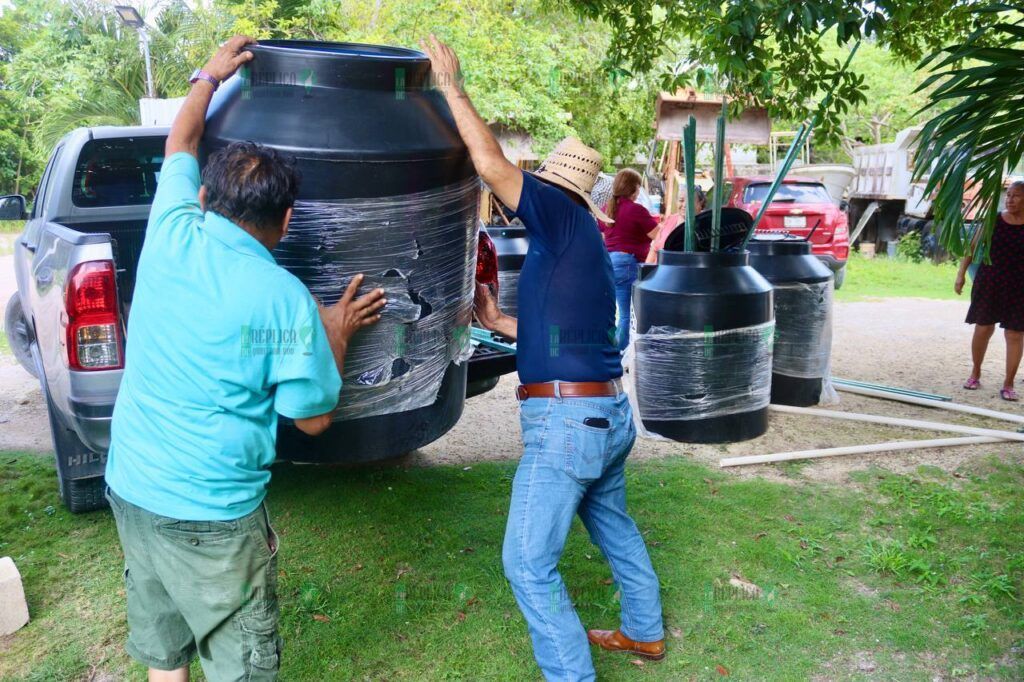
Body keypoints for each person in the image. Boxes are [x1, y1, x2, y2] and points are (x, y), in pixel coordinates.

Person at [103, 36, 386, 681]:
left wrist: (208, 75)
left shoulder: (171, 231)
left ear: (205, 198)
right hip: (212, 516)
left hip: (132, 486)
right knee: (242, 667)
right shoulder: (284, 302)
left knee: (164, 649)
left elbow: (179, 143)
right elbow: (312, 420)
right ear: (286, 223)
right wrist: (335, 329)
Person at [421, 35, 665, 681]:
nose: (507, 197)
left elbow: (490, 162)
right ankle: (644, 633)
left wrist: (452, 84)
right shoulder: (581, 232)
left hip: (567, 428)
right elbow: (574, 326)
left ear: (553, 185)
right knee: (613, 525)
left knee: (527, 563)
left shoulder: (554, 209)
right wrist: (501, 320)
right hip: (606, 417)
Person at [956, 180, 1024, 401]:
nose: (1010, 199)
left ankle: (1009, 383)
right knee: (983, 329)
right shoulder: (994, 220)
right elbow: (972, 247)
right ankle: (975, 373)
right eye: (1009, 195)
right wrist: (960, 275)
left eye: (1016, 196)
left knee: (1014, 334)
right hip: (990, 281)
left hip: (1019, 286)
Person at [599, 168, 659, 351]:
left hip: (608, 263)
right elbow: (658, 235)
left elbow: (602, 239)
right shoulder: (636, 210)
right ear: (633, 188)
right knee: (626, 314)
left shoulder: (605, 209)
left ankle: (607, 349)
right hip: (627, 264)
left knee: (612, 312)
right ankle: (619, 353)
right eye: (639, 187)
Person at [645, 186, 707, 264]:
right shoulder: (670, 219)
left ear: (700, 203)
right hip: (659, 271)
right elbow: (654, 248)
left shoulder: (704, 224)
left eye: (690, 201)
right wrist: (647, 269)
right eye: (681, 200)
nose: (684, 205)